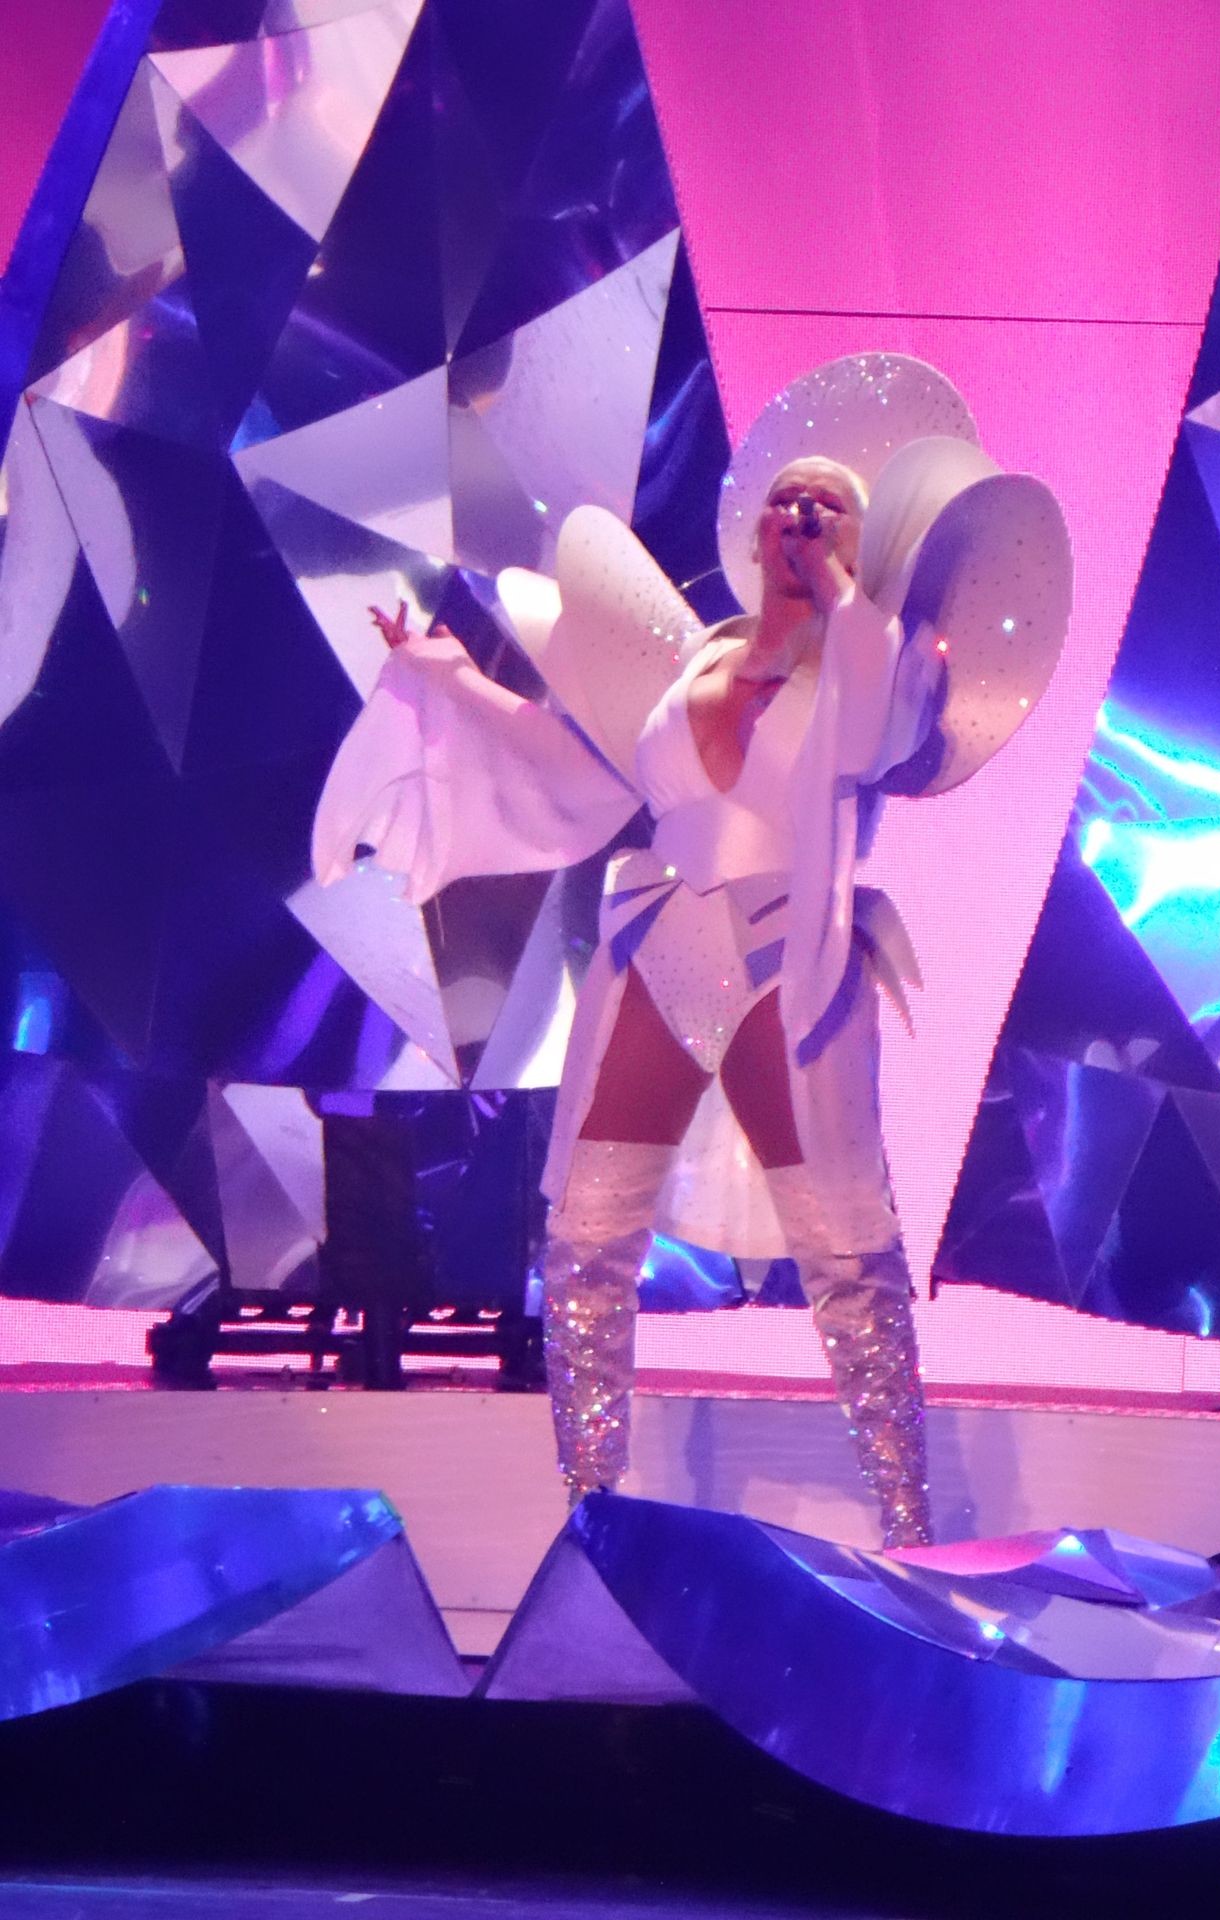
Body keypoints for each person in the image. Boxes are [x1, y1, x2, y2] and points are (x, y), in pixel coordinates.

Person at [313, 354, 1072, 1550]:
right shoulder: (693, 662)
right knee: (585, 1243)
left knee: (847, 1252)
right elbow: (580, 766)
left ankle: (909, 1523)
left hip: (788, 961)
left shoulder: (878, 661)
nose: (799, 519)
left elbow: (879, 734)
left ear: (853, 545)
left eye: (826, 511)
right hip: (657, 944)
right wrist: (446, 677)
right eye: (786, 504)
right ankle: (592, 1512)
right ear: (756, 530)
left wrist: (845, 597)